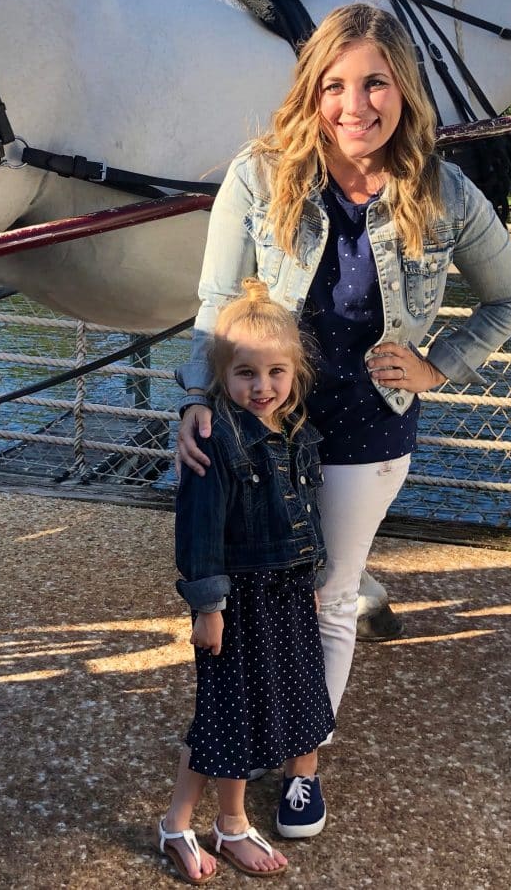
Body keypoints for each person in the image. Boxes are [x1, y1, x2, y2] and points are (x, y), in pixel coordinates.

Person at [175, 3, 511, 837]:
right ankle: (261, 725)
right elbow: (217, 301)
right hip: (269, 421)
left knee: (331, 596)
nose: (355, 104)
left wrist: (440, 363)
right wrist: (196, 398)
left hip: (371, 428)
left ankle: (302, 755)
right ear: (312, 89)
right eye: (335, 84)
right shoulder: (260, 176)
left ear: (403, 89)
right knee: (256, 588)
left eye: (375, 82)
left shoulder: (442, 192)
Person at [159, 277, 332, 883]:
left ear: (296, 373)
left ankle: (210, 823)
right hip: (236, 600)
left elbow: (307, 511)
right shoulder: (216, 439)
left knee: (266, 710)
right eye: (245, 375)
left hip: (285, 594)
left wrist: (309, 573)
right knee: (225, 715)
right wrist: (209, 607)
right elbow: (199, 534)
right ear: (221, 376)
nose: (262, 388)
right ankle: (201, 823)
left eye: (276, 373)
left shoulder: (301, 435)